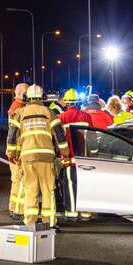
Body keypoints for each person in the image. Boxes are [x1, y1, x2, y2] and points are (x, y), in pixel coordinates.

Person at [6, 85, 70, 229]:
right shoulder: (49, 113)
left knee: (30, 191)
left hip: (28, 159)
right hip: (47, 159)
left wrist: (11, 154)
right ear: (42, 97)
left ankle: (30, 223)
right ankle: (50, 223)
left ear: (27, 97)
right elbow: (59, 135)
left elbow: (11, 137)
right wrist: (65, 153)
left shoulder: (20, 113)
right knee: (48, 191)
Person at [57, 88, 93, 219]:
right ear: (78, 102)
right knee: (85, 185)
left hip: (68, 159)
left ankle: (71, 213)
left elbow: (58, 138)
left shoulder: (61, 117)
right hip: (84, 159)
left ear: (66, 103)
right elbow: (91, 138)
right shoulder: (86, 116)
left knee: (70, 185)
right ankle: (86, 213)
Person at [7, 83, 29, 220]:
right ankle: (17, 209)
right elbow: (13, 134)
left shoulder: (18, 106)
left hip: (17, 151)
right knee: (19, 180)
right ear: (20, 93)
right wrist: (13, 153)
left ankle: (14, 207)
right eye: (26, 92)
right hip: (18, 152)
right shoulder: (18, 108)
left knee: (18, 180)